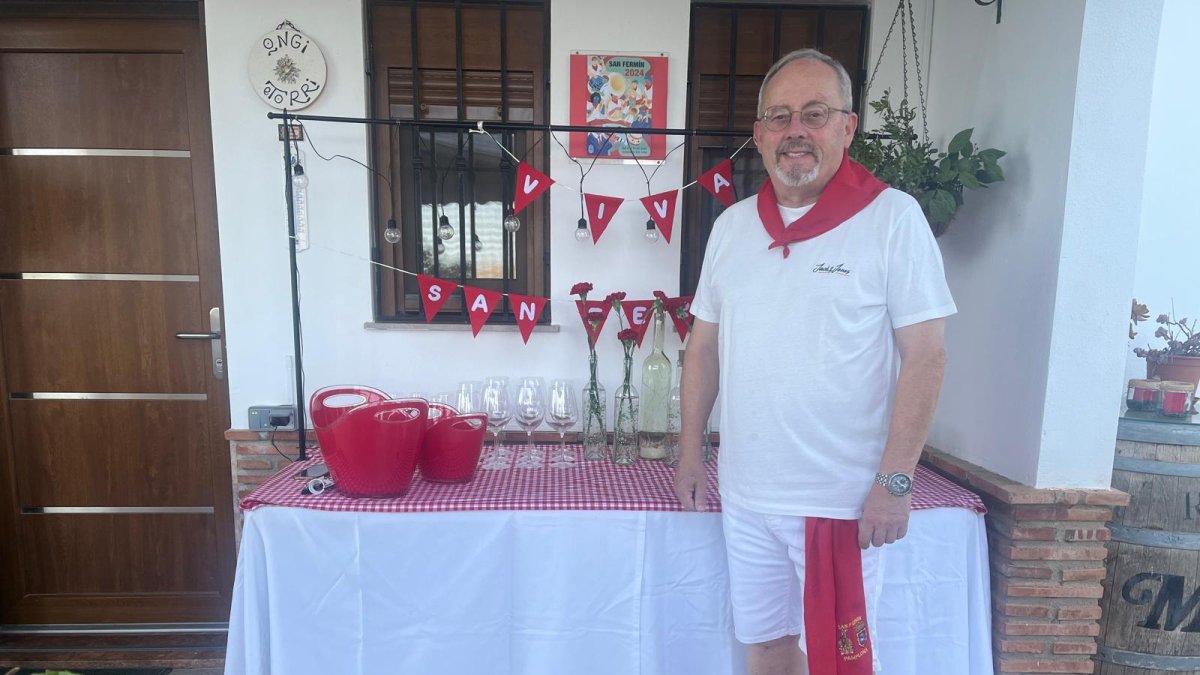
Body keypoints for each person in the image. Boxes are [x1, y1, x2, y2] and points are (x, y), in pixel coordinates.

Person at [673, 48, 956, 675]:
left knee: (836, 663)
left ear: (847, 127)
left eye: (814, 113)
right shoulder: (734, 227)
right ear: (758, 133)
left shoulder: (892, 218)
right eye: (779, 116)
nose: (795, 130)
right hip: (745, 494)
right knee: (767, 647)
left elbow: (926, 357)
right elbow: (704, 348)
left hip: (838, 502)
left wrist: (896, 480)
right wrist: (691, 452)